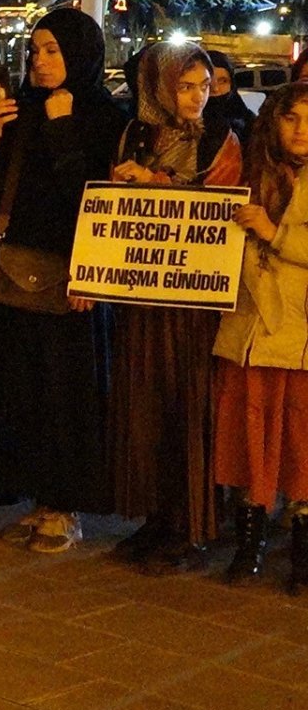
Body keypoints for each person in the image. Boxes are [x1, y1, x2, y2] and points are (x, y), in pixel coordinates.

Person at [0, 7, 127, 553]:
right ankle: (38, 499)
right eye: (34, 51)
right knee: (22, 392)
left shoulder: (104, 117)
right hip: (15, 269)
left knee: (65, 395)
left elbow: (92, 198)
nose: (41, 61)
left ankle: (65, 505)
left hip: (71, 278)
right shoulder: (18, 109)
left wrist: (62, 127)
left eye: (52, 51)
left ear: (79, 54)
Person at [106, 42, 242, 572]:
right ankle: (155, 517)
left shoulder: (221, 141)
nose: (195, 97)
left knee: (189, 406)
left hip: (193, 309)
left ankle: (192, 525)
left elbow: (218, 207)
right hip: (144, 300)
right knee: (146, 403)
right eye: (184, 86)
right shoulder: (134, 134)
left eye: (204, 86)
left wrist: (157, 183)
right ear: (159, 87)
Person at [212, 81, 308, 593]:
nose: (301, 131)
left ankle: (301, 551)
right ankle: (250, 544)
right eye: (291, 118)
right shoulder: (249, 174)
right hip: (251, 331)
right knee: (252, 440)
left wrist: (275, 233)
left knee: (301, 444)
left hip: (299, 335)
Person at [204, 50, 255, 143]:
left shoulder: (250, 124)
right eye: (208, 82)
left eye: (223, 81)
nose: (215, 89)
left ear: (232, 84)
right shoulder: (186, 128)